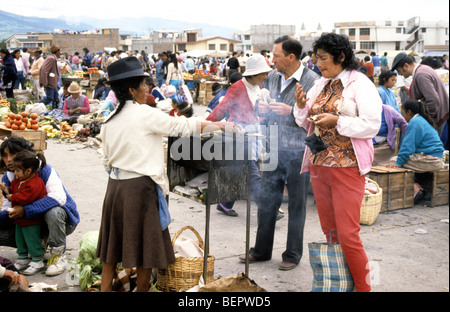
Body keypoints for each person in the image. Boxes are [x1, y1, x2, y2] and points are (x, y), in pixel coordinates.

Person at [96, 57, 238, 292]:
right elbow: (183, 126)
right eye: (144, 84)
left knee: (112, 249)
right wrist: (221, 126)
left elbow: (105, 160)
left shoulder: (109, 120)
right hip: (140, 190)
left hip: (115, 189)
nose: (147, 88)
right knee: (145, 249)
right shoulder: (145, 114)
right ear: (131, 90)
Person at [294, 32, 382, 292]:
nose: (317, 63)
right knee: (330, 232)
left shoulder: (360, 84)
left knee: (348, 235)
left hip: (347, 168)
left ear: (341, 57)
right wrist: (301, 106)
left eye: (323, 58)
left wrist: (338, 122)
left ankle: (364, 288)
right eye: (315, 58)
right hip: (319, 166)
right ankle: (341, 284)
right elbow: (304, 120)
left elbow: (371, 125)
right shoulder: (321, 84)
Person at [240, 36, 319, 271]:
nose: (272, 60)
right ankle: (261, 250)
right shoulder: (273, 77)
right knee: (267, 201)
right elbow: (260, 104)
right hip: (272, 147)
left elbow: (315, 117)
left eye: (276, 56)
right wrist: (260, 108)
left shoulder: (312, 81)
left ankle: (292, 255)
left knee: (296, 205)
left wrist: (293, 111)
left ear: (291, 57)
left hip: (298, 151)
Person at [0, 136, 79, 277]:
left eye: (13, 154)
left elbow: (58, 198)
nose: (9, 159)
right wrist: (9, 213)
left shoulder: (45, 170)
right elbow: (7, 207)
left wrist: (25, 210)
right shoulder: (8, 177)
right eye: (5, 155)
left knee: (54, 211)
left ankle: (57, 255)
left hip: (61, 223)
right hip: (31, 225)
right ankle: (28, 251)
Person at [207, 54, 272, 217]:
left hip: (254, 134)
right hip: (239, 136)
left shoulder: (259, 88)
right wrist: (204, 126)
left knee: (240, 172)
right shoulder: (237, 88)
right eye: (263, 73)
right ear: (253, 74)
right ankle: (267, 207)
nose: (265, 76)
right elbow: (220, 109)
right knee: (252, 173)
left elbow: (258, 112)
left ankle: (225, 204)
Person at [386, 100, 445, 203]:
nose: (403, 116)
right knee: (400, 159)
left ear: (409, 112)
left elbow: (407, 147)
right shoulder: (422, 120)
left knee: (393, 160)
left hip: (431, 161)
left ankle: (416, 188)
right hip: (435, 158)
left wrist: (398, 163)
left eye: (403, 113)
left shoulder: (414, 122)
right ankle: (417, 185)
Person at [1, 150, 48, 275]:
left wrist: (12, 197)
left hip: (31, 219)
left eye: (17, 171)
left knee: (31, 239)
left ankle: (37, 259)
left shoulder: (35, 183)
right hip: (20, 219)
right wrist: (6, 190)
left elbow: (24, 197)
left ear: (28, 171)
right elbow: (13, 189)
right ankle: (22, 258)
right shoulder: (19, 181)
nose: (15, 173)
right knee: (20, 238)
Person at [391, 52, 449, 136]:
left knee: (432, 146)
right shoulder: (423, 69)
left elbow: (433, 100)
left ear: (406, 65)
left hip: (437, 118)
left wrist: (425, 121)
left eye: (399, 71)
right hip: (439, 114)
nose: (399, 74)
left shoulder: (421, 74)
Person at [39, 45, 61, 109]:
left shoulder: (53, 58)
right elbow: (44, 70)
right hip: (50, 83)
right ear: (56, 52)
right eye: (59, 52)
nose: (60, 53)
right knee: (49, 98)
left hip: (53, 82)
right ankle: (36, 106)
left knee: (56, 98)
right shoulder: (51, 58)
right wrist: (44, 81)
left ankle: (55, 110)